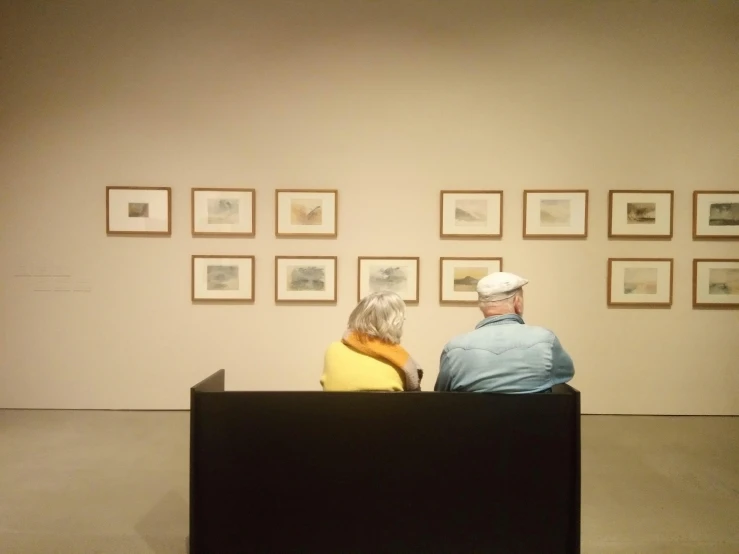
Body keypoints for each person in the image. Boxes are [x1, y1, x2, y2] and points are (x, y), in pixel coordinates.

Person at [434, 271, 574, 393]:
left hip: (474, 424)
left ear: (482, 307)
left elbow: (442, 394)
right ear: (517, 303)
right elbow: (565, 374)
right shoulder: (545, 341)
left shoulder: (454, 349)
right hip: (534, 423)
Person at [321, 291, 423, 391]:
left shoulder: (333, 349)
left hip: (335, 407)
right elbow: (414, 394)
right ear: (395, 323)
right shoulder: (403, 362)